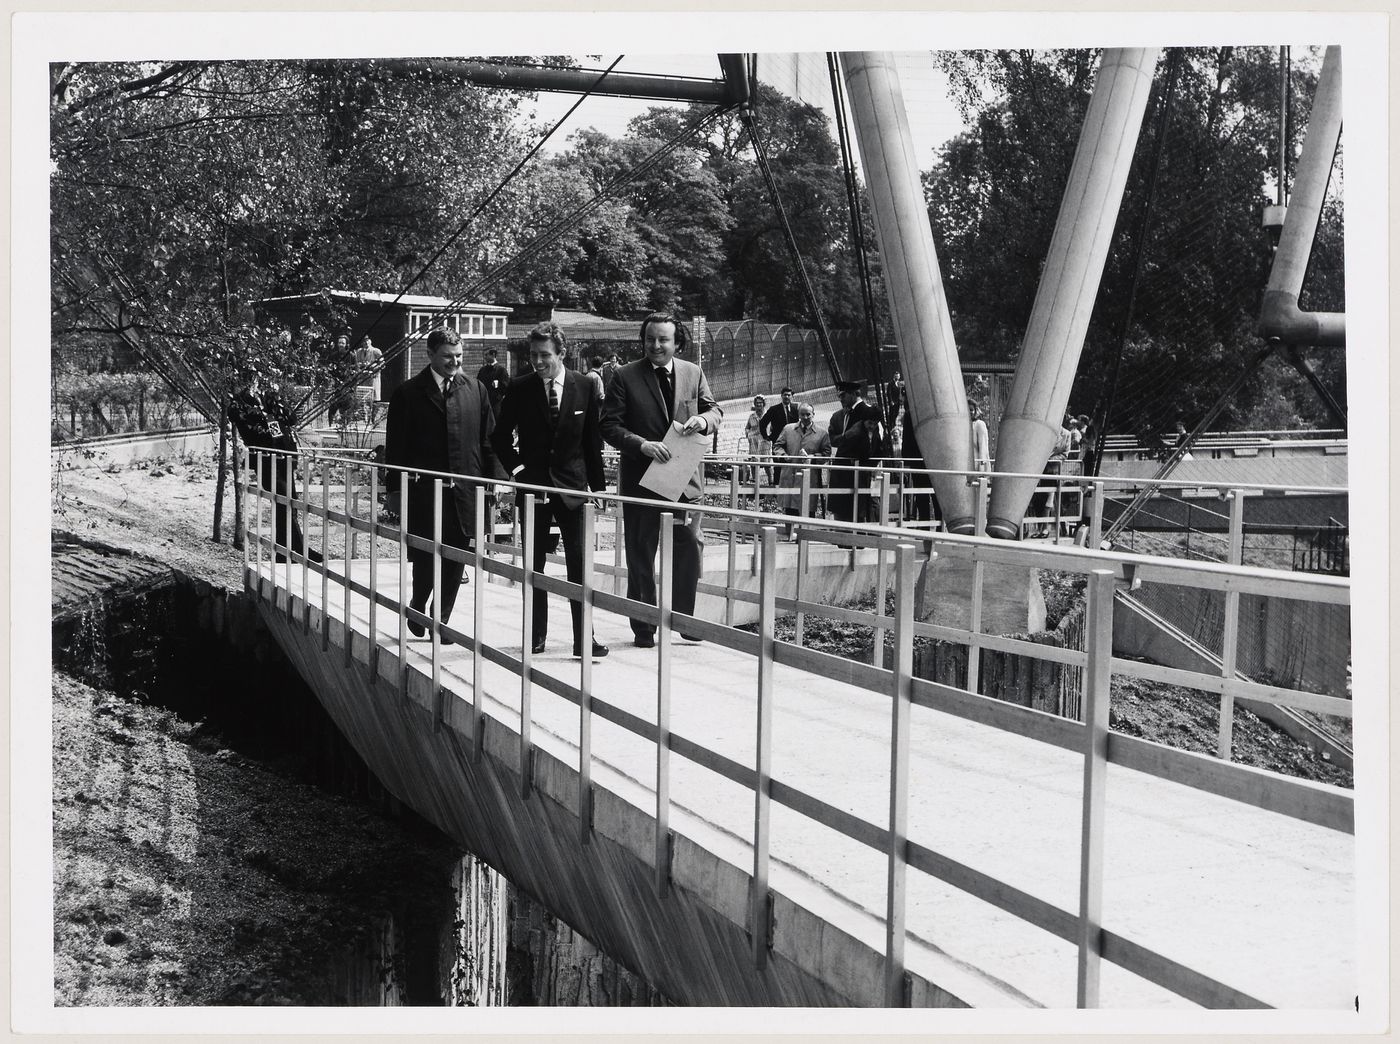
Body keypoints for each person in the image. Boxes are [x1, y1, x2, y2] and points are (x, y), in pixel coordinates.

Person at [600, 312, 722, 648]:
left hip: (685, 482)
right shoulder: (624, 376)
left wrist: (702, 420)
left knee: (689, 549)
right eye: (650, 339)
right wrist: (642, 445)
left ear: (676, 342)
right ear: (643, 341)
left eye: (663, 339)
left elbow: (715, 410)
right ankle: (644, 625)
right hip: (643, 481)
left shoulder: (693, 372)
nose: (656, 345)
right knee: (641, 552)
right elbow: (609, 426)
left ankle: (683, 619)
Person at [491, 323, 609, 659]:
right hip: (534, 489)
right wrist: (519, 472)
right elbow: (499, 437)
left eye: (545, 355)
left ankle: (583, 637)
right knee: (535, 564)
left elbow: (591, 443)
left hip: (573, 489)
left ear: (562, 353)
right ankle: (536, 636)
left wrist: (598, 488)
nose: (538, 362)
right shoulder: (520, 387)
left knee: (578, 564)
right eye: (533, 355)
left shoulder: (585, 386)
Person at [384, 327, 504, 641]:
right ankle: (419, 602)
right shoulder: (408, 393)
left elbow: (489, 440)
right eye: (448, 357)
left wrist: (497, 482)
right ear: (431, 354)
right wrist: (394, 489)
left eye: (459, 356)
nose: (454, 362)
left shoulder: (475, 389)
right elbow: (396, 446)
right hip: (424, 491)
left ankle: (442, 619)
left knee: (457, 557)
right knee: (425, 557)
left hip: (465, 490)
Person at [229, 368, 322, 565]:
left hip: (285, 456)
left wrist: (274, 402)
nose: (254, 382)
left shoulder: (269, 399)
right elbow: (256, 433)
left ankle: (284, 553)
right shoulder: (239, 405)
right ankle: (298, 551)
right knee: (284, 500)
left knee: (289, 503)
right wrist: (268, 416)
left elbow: (289, 420)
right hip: (265, 459)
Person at [827, 380, 883, 523]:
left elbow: (874, 442)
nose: (841, 399)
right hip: (846, 468)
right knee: (844, 502)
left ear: (853, 394)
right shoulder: (845, 413)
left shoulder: (865, 412)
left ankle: (854, 537)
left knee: (856, 504)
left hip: (855, 468)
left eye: (843, 395)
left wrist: (868, 466)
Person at [773, 403, 830, 528]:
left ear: (813, 415)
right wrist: (783, 456)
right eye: (802, 414)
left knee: (808, 507)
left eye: (808, 414)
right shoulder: (788, 429)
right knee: (790, 508)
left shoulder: (822, 433)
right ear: (798, 415)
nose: (805, 417)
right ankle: (790, 535)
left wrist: (813, 458)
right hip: (790, 473)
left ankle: (806, 536)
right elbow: (778, 446)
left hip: (810, 476)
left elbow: (826, 454)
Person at [759, 387, 798, 484]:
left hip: (793, 442)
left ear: (792, 397)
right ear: (781, 396)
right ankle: (776, 490)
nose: (787, 397)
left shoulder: (796, 408)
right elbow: (762, 423)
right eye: (785, 395)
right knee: (778, 467)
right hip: (778, 443)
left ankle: (791, 489)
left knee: (792, 466)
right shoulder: (774, 409)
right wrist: (766, 437)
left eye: (789, 395)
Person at [742, 395, 769, 486]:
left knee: (766, 463)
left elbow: (773, 428)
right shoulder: (752, 416)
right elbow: (747, 428)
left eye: (760, 403)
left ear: (763, 404)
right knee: (754, 463)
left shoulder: (768, 415)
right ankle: (754, 481)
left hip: (765, 442)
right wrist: (748, 435)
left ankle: (771, 483)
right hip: (753, 443)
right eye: (757, 403)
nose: (758, 405)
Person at [353, 336, 384, 403]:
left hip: (373, 378)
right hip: (362, 379)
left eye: (367, 340)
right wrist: (360, 368)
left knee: (373, 399)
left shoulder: (376, 351)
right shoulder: (358, 352)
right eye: (364, 341)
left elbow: (382, 364)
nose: (366, 342)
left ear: (370, 341)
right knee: (361, 400)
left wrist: (374, 368)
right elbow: (356, 364)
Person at [970, 399, 991, 471]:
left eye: (971, 409)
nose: (970, 412)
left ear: (976, 410)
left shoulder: (979, 424)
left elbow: (983, 447)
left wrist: (982, 468)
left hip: (977, 467)